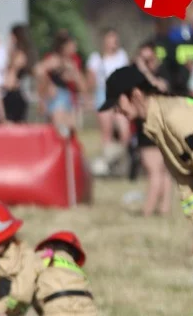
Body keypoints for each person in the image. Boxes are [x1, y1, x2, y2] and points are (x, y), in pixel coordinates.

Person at [102, 63, 193, 316]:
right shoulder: (156, 124)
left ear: (134, 94)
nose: (116, 112)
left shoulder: (175, 116)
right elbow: (183, 174)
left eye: (117, 103)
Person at [18, 231, 96, 316]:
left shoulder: (42, 257)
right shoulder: (75, 268)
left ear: (49, 246)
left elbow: (21, 293)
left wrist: (8, 308)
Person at [132, 43, 173, 217]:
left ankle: (150, 210)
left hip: (159, 127)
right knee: (158, 170)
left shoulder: (162, 73)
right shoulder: (136, 79)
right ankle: (160, 209)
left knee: (156, 171)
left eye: (149, 59)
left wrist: (143, 70)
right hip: (146, 128)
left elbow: (160, 87)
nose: (147, 63)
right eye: (143, 59)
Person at [87, 29, 131, 171]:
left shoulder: (122, 56)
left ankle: (121, 161)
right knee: (107, 131)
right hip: (103, 95)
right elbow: (91, 82)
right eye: (111, 39)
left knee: (125, 131)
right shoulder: (96, 58)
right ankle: (108, 163)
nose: (114, 43)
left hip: (119, 95)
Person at [35, 31, 85, 133]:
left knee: (70, 129)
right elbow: (38, 70)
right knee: (60, 129)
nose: (75, 47)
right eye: (72, 45)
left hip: (69, 99)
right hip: (57, 98)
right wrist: (49, 85)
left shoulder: (73, 62)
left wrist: (74, 75)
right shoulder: (54, 60)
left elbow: (83, 87)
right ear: (64, 46)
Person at [3, 25, 32, 123]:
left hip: (14, 95)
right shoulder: (19, 54)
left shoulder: (19, 55)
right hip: (15, 94)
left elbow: (11, 77)